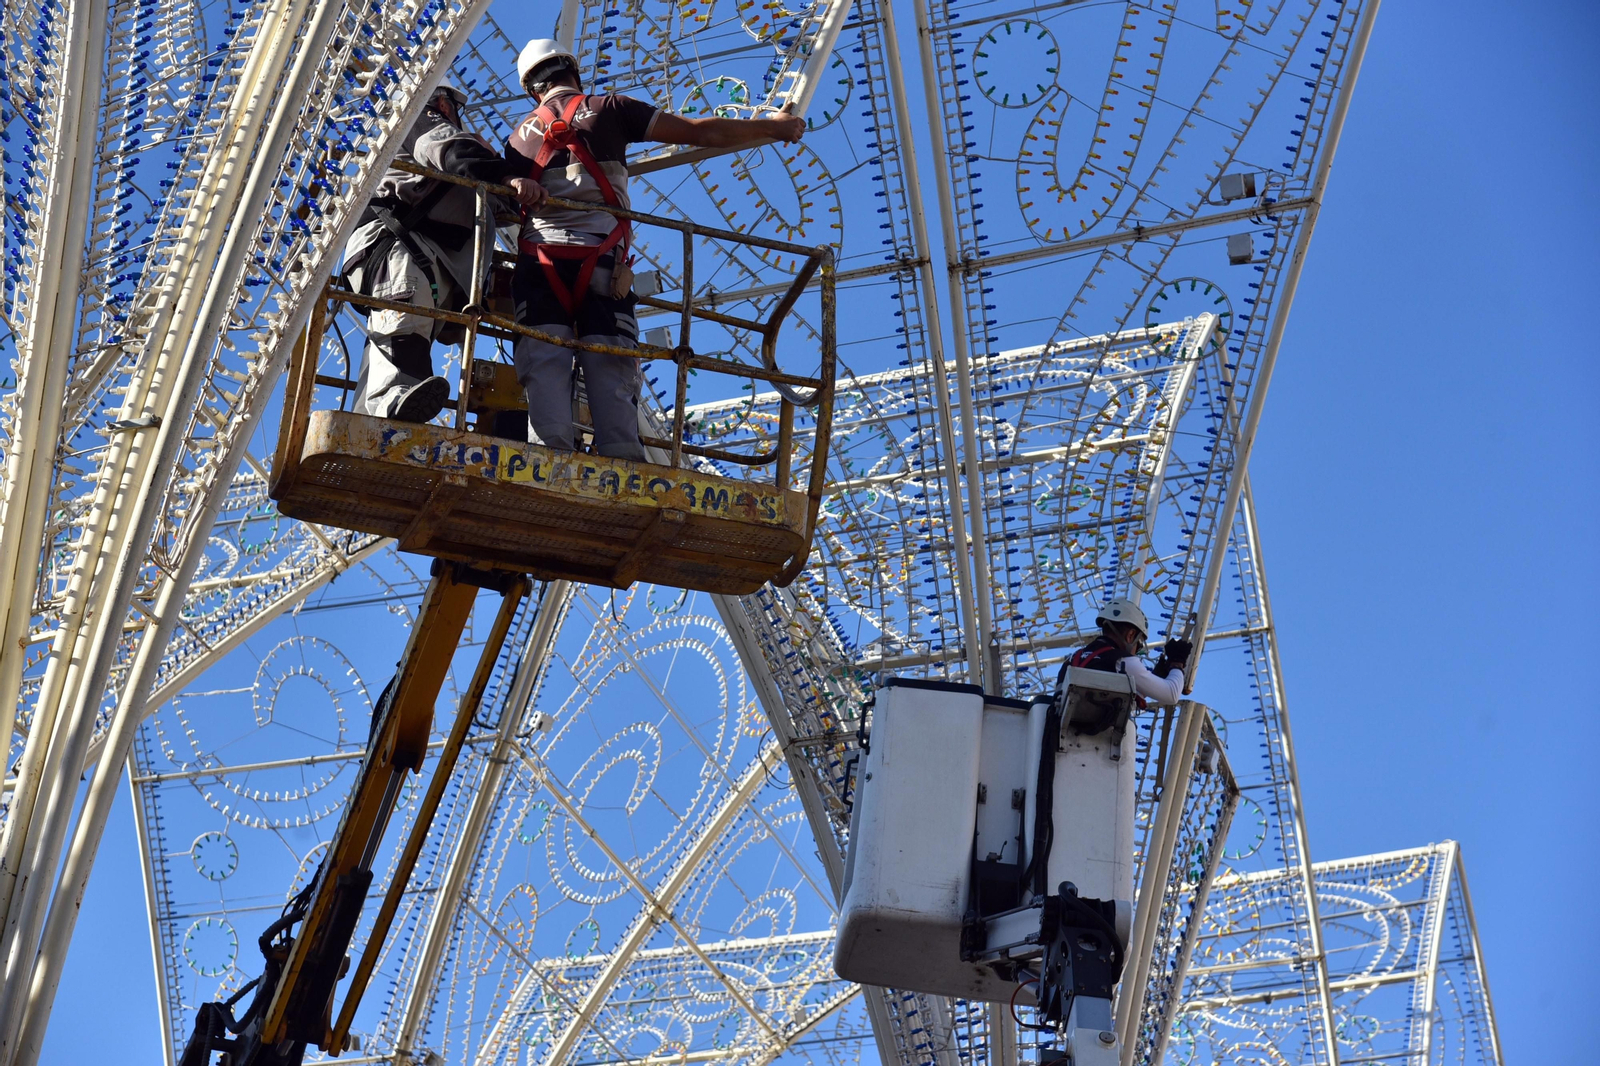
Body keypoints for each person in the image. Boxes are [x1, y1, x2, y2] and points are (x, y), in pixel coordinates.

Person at [502, 40, 807, 460]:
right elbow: (703, 132)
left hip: (539, 267)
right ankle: (622, 458)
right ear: (572, 72)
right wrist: (774, 127)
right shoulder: (608, 108)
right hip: (602, 266)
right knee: (611, 362)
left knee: (543, 360)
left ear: (532, 90)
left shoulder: (516, 140)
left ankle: (546, 457)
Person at [344, 82, 546, 422]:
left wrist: (506, 181)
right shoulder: (418, 116)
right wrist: (504, 173)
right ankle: (393, 398)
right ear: (442, 101)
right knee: (405, 317)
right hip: (394, 243)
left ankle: (365, 417)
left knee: (400, 328)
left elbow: (496, 204)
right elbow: (449, 148)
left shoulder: (457, 177)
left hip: (421, 251)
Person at [1055, 598, 1192, 706]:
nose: (1136, 652)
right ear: (1131, 635)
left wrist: (1156, 676)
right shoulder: (1122, 661)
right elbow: (1171, 694)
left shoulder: (1074, 659)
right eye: (1138, 645)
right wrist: (1177, 662)